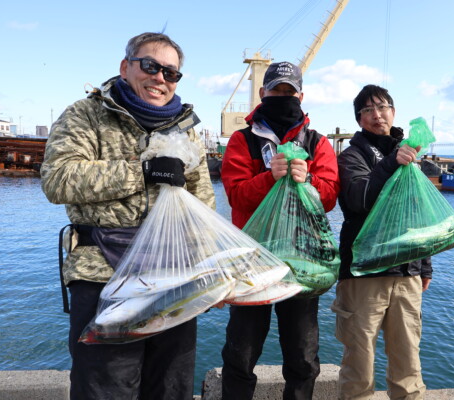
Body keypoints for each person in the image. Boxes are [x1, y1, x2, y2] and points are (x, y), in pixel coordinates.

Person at [40, 32, 215, 400]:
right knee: (105, 388)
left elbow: (203, 205)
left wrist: (210, 272)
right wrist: (144, 171)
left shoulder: (186, 127)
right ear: (125, 66)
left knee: (171, 388)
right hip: (103, 274)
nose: (160, 78)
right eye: (150, 66)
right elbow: (58, 180)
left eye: (171, 73)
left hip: (174, 277)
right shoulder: (86, 114)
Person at [220, 61, 340, 399]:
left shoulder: (317, 142)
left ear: (301, 95)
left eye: (289, 91)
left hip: (303, 262)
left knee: (303, 355)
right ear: (262, 93)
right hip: (251, 259)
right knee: (241, 353)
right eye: (276, 90)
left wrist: (311, 180)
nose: (283, 96)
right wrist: (268, 177)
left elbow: (329, 197)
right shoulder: (242, 141)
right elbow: (236, 195)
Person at [332, 84, 433, 400]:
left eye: (383, 107)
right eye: (368, 110)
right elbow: (358, 199)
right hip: (363, 276)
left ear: (394, 111)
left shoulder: (408, 154)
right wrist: (391, 163)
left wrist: (425, 264)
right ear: (359, 119)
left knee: (408, 364)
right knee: (359, 366)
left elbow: (417, 214)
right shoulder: (352, 156)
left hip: (406, 274)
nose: (377, 115)